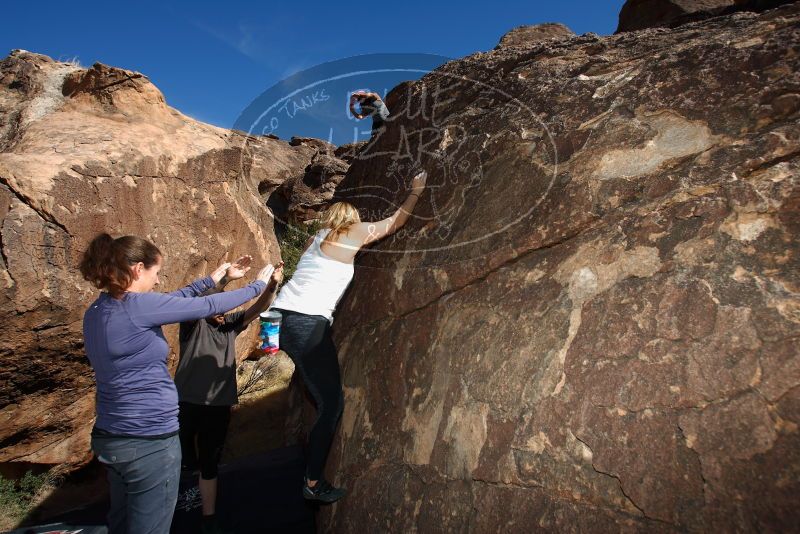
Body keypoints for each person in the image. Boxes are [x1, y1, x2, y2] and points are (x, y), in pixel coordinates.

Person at [79, 234, 273, 534]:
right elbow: (207, 305)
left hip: (111, 435)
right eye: (156, 274)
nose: (157, 282)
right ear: (137, 269)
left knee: (121, 521)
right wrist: (257, 285)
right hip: (148, 441)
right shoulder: (137, 307)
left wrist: (212, 278)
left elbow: (174, 301)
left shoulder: (96, 310)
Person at [271, 170, 428, 503]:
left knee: (318, 391)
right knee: (331, 405)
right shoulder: (350, 231)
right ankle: (313, 483)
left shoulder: (316, 240)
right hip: (305, 324)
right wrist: (415, 191)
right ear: (350, 220)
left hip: (282, 322)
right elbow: (395, 223)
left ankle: (309, 469)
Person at [174, 256, 284, 534]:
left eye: (226, 306)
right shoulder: (192, 324)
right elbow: (190, 302)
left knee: (209, 463)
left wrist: (271, 286)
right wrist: (223, 278)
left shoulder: (229, 325)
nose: (224, 310)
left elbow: (260, 307)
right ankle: (171, 509)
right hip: (186, 402)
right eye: (218, 305)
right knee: (178, 461)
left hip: (218, 405)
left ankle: (208, 519)